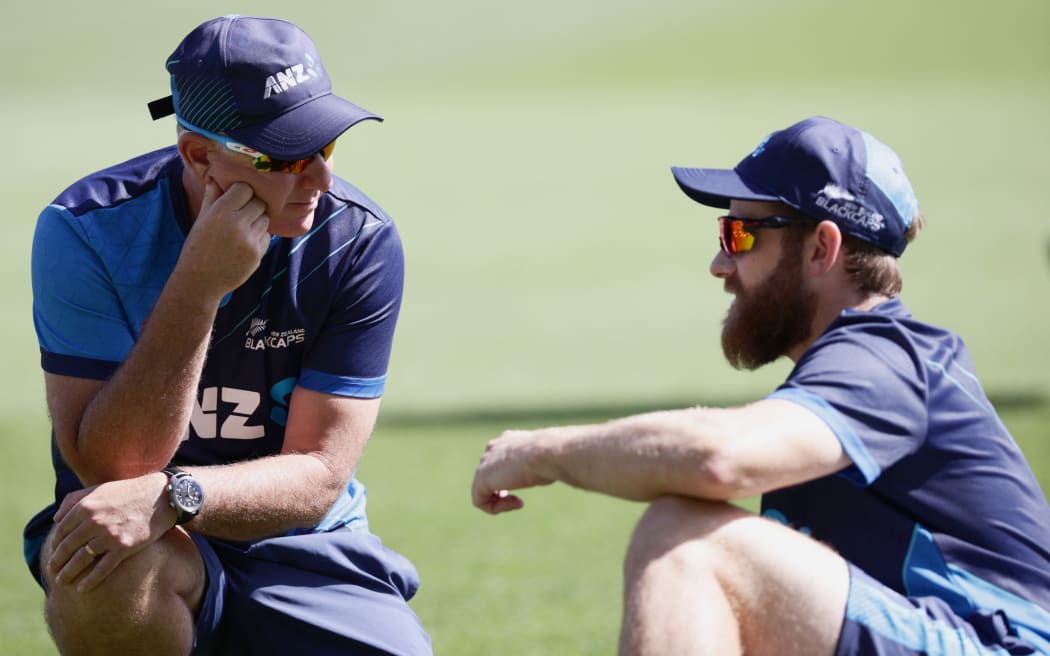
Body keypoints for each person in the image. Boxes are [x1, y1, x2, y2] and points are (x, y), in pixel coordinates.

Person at [471, 116, 1050, 655]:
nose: (720, 264)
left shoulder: (888, 356)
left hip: (996, 643)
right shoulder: (846, 369)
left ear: (823, 247)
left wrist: (539, 452)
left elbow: (716, 458)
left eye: (741, 234)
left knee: (685, 538)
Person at [24, 15, 431, 655]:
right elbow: (112, 468)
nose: (320, 181)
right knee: (101, 571)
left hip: (302, 543)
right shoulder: (85, 230)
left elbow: (320, 474)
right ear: (199, 156)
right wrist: (199, 285)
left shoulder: (358, 241)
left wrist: (178, 495)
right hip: (140, 539)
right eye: (288, 157)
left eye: (326, 147)